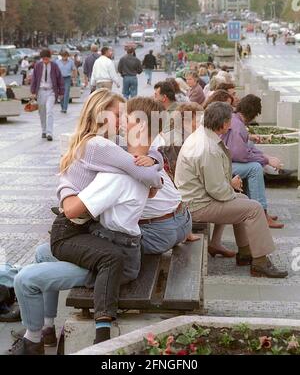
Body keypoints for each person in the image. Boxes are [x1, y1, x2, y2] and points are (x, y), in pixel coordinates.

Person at [10, 94, 164, 355]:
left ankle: (34, 339)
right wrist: (156, 166)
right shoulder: (107, 150)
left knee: (25, 278)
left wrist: (66, 190)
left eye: (127, 118)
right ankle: (44, 330)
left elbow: (72, 209)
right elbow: (143, 171)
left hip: (105, 249)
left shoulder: (111, 159)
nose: (124, 123)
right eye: (120, 115)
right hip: (100, 238)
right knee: (40, 254)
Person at [175, 102, 288, 279]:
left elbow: (212, 184)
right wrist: (231, 187)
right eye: (230, 120)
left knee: (243, 201)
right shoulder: (208, 148)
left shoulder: (203, 136)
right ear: (224, 124)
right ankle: (260, 262)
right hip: (198, 206)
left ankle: (244, 253)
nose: (232, 124)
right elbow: (218, 191)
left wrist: (232, 191)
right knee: (254, 208)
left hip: (195, 200)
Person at [221, 95, 285, 229]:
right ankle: (261, 212)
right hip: (224, 166)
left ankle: (256, 209)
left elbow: (243, 149)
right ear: (253, 113)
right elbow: (240, 155)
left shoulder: (235, 120)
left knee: (255, 164)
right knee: (255, 168)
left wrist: (265, 158)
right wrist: (266, 160)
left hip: (223, 162)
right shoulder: (238, 126)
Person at [30, 49, 64, 142]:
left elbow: (60, 79)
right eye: (43, 59)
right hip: (40, 91)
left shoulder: (54, 66)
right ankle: (44, 130)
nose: (45, 61)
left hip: (51, 91)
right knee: (42, 112)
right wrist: (32, 91)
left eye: (47, 59)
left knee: (49, 111)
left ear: (50, 58)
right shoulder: (38, 66)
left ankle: (49, 132)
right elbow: (34, 79)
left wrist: (61, 92)